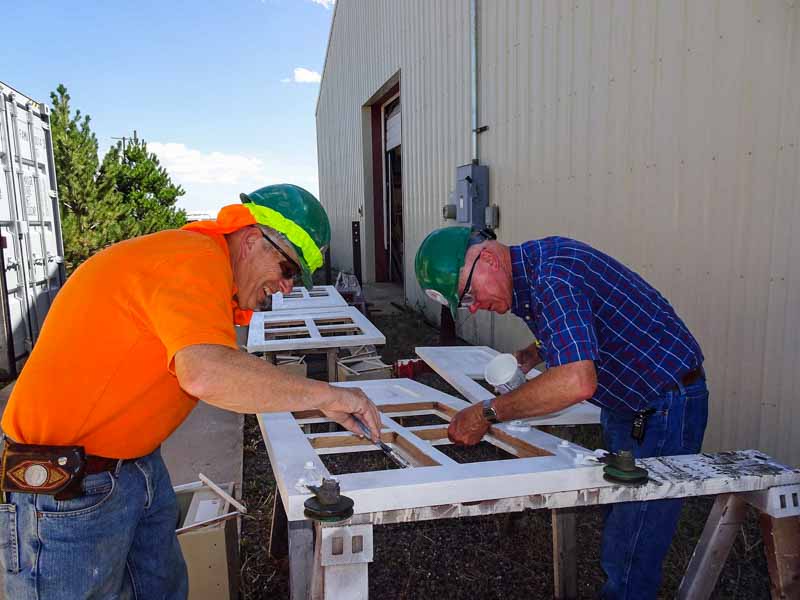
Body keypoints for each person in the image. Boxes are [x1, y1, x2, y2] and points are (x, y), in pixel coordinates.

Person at [0, 184, 381, 600]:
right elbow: (206, 373)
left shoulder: (200, 268)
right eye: (288, 269)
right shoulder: (194, 258)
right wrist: (328, 395)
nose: (287, 287)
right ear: (253, 240)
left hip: (131, 470)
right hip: (65, 491)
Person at [415, 226, 708, 600]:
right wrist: (534, 353)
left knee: (632, 543)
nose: (473, 306)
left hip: (664, 401)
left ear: (486, 258)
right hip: (631, 402)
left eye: (469, 293)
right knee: (620, 517)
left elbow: (576, 382)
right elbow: (578, 320)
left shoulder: (552, 278)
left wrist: (486, 413)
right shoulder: (536, 267)